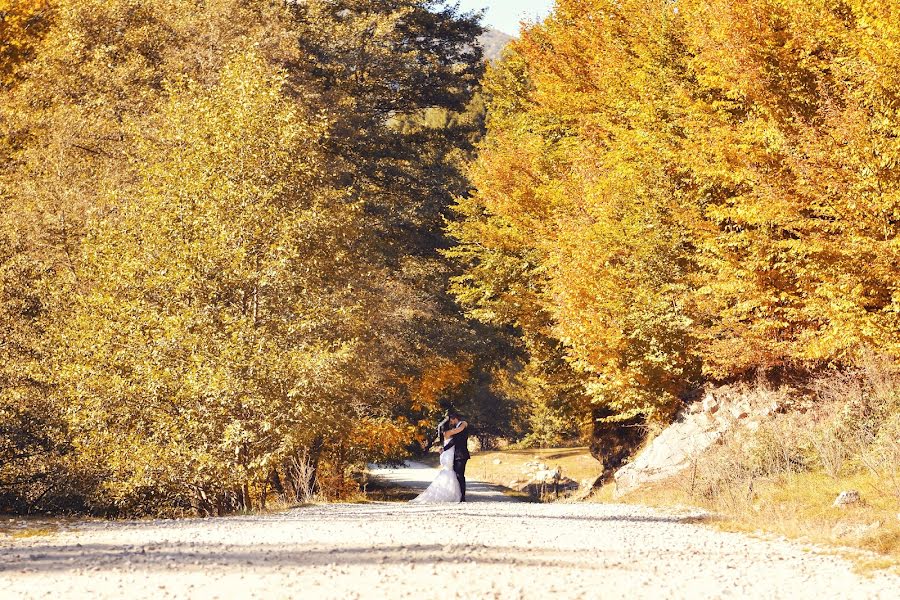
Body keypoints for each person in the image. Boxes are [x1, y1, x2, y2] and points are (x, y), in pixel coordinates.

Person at [409, 415, 464, 504]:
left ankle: (449, 492)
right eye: (450, 423)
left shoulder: (446, 433)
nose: (451, 423)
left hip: (448, 454)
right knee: (450, 472)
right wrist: (464, 423)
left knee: (450, 472)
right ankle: (451, 494)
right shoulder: (449, 432)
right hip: (449, 454)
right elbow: (460, 429)